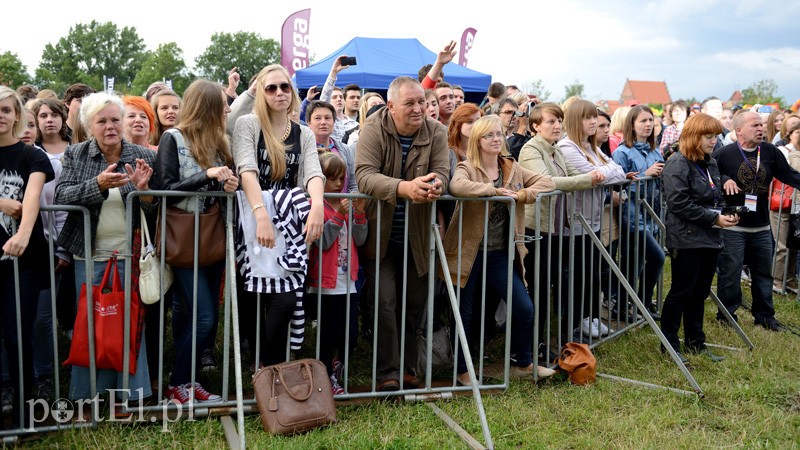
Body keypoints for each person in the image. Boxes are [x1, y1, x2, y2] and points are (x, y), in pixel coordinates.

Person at [54, 92, 155, 402]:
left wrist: (145, 193)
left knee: (128, 323)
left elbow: (154, 212)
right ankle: (89, 396)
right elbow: (62, 196)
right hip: (88, 253)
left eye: (115, 119)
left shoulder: (143, 155)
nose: (110, 126)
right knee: (91, 323)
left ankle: (134, 394)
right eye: (102, 121)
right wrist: (96, 185)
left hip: (131, 254)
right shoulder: (76, 155)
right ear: (88, 124)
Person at [444, 115, 556, 385]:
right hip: (468, 253)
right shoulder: (466, 166)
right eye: (488, 135)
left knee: (524, 306)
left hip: (499, 254)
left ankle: (524, 362)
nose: (496, 139)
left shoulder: (512, 167)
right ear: (478, 141)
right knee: (465, 313)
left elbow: (547, 183)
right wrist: (492, 191)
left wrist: (520, 195)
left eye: (498, 134)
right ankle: (462, 371)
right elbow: (456, 186)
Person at [355, 76, 449, 391]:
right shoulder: (372, 127)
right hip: (380, 236)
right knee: (383, 302)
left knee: (414, 304)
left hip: (418, 236)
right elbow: (364, 176)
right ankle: (387, 373)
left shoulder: (437, 131)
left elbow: (444, 173)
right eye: (410, 103)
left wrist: (435, 184)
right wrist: (404, 188)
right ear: (391, 105)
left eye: (422, 101)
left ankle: (408, 365)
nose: (419, 108)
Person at [231, 64, 324, 366]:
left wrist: (319, 206)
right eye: (271, 88)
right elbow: (247, 169)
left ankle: (270, 366)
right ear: (261, 92)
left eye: (284, 86)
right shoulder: (249, 124)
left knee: (285, 299)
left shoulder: (303, 133)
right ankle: (260, 366)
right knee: (254, 296)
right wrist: (261, 216)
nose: (279, 93)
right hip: (252, 217)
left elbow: (313, 172)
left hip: (290, 222)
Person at [154, 79, 236, 404]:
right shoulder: (171, 138)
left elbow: (216, 190)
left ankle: (189, 381)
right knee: (202, 314)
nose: (226, 109)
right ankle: (178, 383)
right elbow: (165, 189)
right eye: (221, 104)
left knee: (205, 314)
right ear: (207, 106)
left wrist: (227, 186)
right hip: (183, 238)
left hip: (211, 236)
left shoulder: (220, 142)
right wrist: (208, 175)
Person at [518, 103, 604, 349]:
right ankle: (533, 344)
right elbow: (548, 181)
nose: (557, 126)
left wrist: (598, 174)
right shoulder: (531, 149)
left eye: (559, 121)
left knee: (554, 283)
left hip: (555, 228)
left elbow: (575, 171)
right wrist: (589, 178)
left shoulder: (556, 150)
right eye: (550, 122)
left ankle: (549, 339)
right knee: (538, 287)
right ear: (535, 126)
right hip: (537, 229)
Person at [661, 113, 738, 363]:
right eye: (708, 136)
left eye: (716, 136)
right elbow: (678, 203)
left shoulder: (710, 162)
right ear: (694, 136)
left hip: (710, 236)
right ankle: (670, 343)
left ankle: (696, 342)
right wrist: (713, 218)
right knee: (682, 291)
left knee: (700, 292)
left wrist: (727, 212)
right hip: (687, 237)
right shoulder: (678, 163)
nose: (714, 140)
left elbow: (715, 196)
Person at [713, 111, 800, 331]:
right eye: (755, 125)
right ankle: (727, 315)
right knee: (730, 273)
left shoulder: (770, 151)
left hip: (761, 226)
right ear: (739, 129)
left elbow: (789, 175)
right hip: (734, 225)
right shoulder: (724, 153)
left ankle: (765, 316)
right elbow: (711, 176)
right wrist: (724, 179)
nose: (761, 128)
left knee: (763, 274)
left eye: (762, 124)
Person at [0, 87, 54, 424]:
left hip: (23, 260)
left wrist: (22, 234)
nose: (0, 116)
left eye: (6, 110)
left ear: (17, 116)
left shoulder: (32, 156)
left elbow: (31, 197)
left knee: (18, 332)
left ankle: (24, 411)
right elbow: (11, 204)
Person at [558, 100, 632, 338]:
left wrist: (604, 172)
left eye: (594, 118)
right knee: (578, 275)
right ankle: (574, 324)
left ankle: (590, 317)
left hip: (594, 220)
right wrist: (603, 173)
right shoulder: (567, 147)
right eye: (587, 118)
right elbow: (592, 176)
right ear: (575, 121)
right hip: (575, 221)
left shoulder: (592, 148)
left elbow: (616, 171)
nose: (592, 122)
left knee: (592, 273)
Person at [306, 151, 367, 395]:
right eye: (333, 179)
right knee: (328, 333)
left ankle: (335, 367)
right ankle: (327, 377)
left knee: (351, 333)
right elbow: (324, 241)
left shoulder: (346, 202)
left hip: (347, 280)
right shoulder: (316, 206)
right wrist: (341, 215)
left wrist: (359, 213)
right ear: (321, 180)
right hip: (324, 282)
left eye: (342, 178)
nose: (339, 184)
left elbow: (361, 240)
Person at [612, 105, 666, 320]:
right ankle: (628, 304)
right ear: (631, 125)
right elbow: (617, 188)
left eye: (651, 120)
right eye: (643, 121)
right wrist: (646, 174)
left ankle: (637, 304)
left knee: (636, 261)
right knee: (652, 258)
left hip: (652, 213)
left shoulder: (655, 150)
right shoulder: (622, 152)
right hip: (631, 215)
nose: (648, 124)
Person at [306, 101, 357, 194]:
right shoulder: (304, 149)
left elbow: (353, 183)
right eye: (317, 118)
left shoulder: (345, 150)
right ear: (309, 123)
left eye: (327, 118)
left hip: (343, 207)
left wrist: (351, 203)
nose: (323, 122)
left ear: (334, 121)